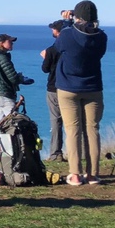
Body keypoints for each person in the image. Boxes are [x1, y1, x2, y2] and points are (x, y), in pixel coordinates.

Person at [53, 0, 109, 186]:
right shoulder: (101, 37)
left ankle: (75, 174)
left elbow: (59, 46)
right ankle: (92, 174)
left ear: (76, 16)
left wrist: (67, 22)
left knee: (72, 130)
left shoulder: (67, 34)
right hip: (93, 87)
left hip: (68, 88)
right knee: (92, 130)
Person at [0, 34, 36, 126]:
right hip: (5, 94)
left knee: (0, 124)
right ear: (2, 43)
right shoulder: (3, 58)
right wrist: (22, 79)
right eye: (10, 42)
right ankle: (12, 140)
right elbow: (13, 78)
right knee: (13, 123)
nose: (12, 44)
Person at [40, 21, 68, 162]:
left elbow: (45, 69)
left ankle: (56, 153)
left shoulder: (51, 50)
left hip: (54, 88)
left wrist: (45, 57)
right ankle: (76, 151)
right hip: (69, 87)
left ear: (57, 31)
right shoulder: (70, 49)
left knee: (56, 121)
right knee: (71, 121)